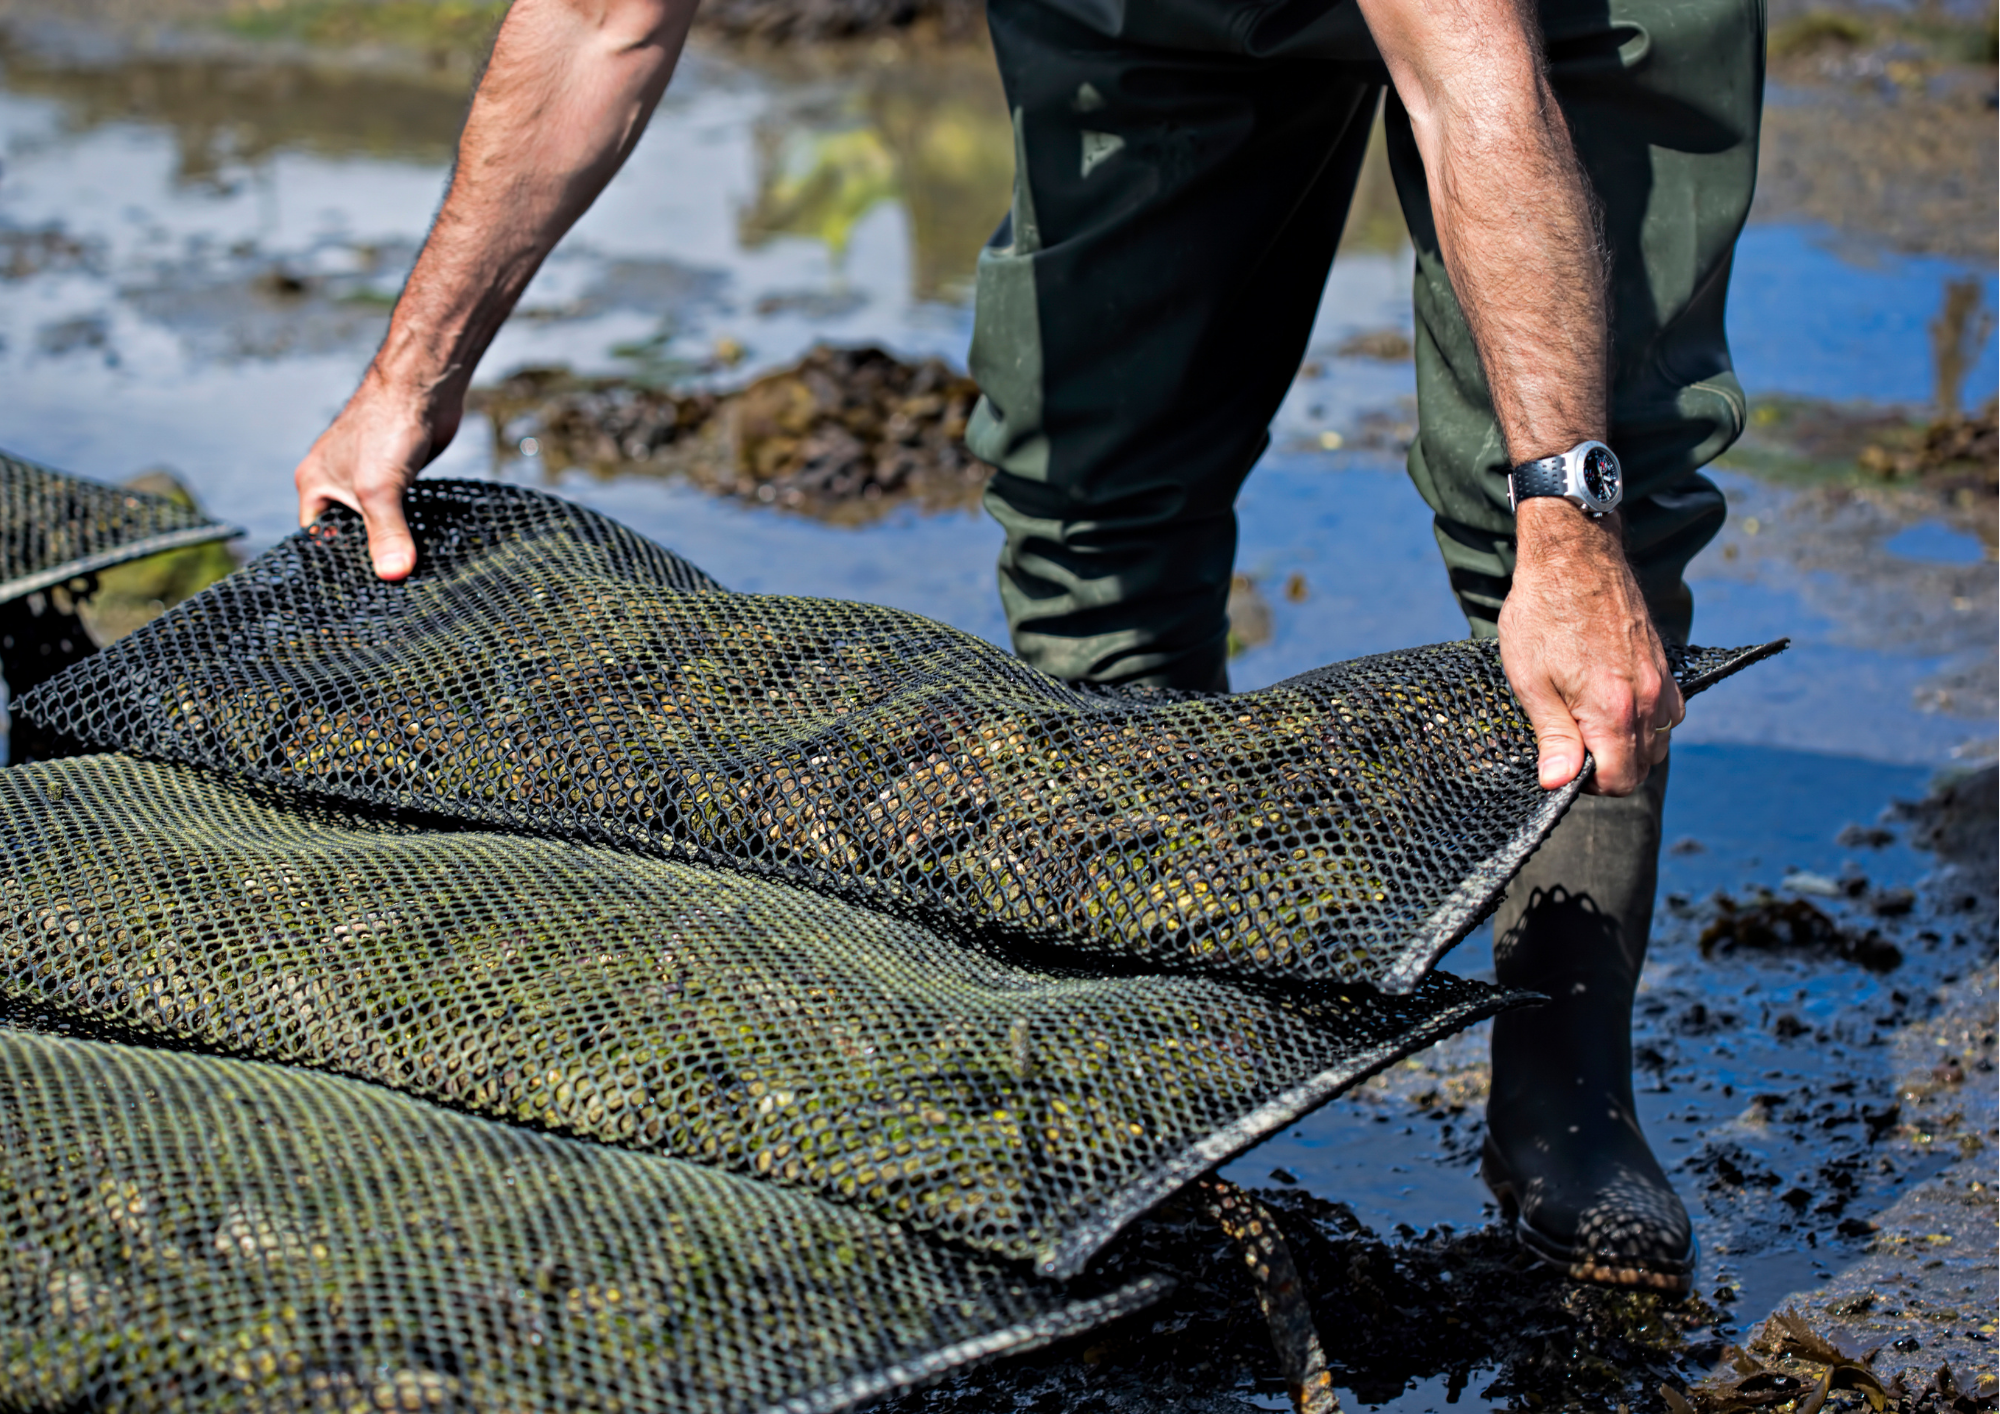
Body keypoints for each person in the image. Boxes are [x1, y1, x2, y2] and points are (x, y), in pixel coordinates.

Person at [293, 0, 1762, 1293]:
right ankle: (1157, 1038)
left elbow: (1474, 80)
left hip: (1544, 22)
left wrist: (1566, 519)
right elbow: (599, 21)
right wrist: (407, 377)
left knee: (1590, 498)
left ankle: (1567, 1088)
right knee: (1090, 482)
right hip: (1149, 20)